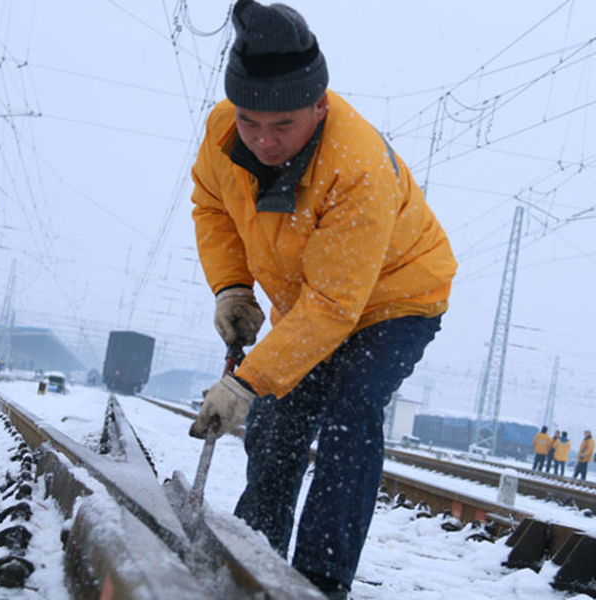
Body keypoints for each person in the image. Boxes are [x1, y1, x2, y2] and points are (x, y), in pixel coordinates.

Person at [187, 1, 457, 597]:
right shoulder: (222, 132)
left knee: (350, 411)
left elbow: (337, 309)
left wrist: (245, 383)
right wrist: (232, 286)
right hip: (315, 299)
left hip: (396, 298)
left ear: (319, 104)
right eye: (251, 121)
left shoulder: (356, 167)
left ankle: (319, 579)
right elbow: (212, 207)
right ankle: (254, 553)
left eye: (282, 126)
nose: (262, 140)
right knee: (279, 421)